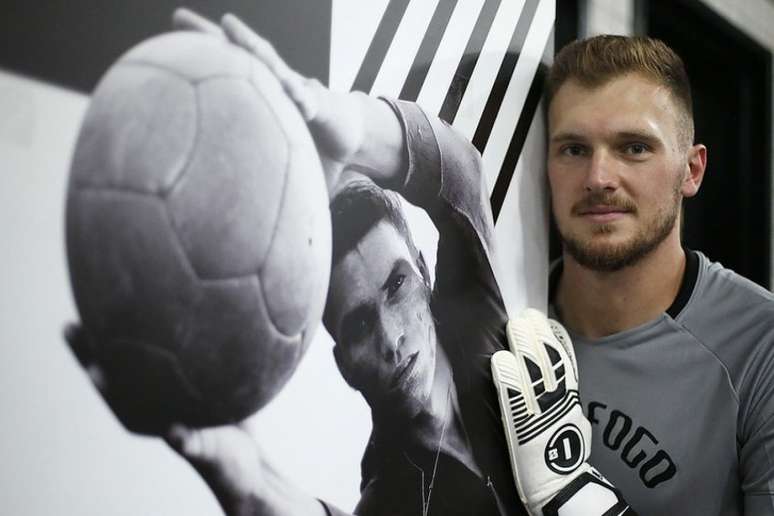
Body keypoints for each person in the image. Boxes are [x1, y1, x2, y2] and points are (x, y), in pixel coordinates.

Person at [66, 8, 524, 516]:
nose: (392, 339)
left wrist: (347, 123)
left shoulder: (486, 334)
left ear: (423, 268)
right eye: (360, 324)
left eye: (396, 285)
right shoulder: (389, 497)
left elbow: (460, 173)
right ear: (342, 363)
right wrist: (247, 482)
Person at [541, 35, 774, 515]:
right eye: (573, 149)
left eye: (634, 147)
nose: (599, 177)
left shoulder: (759, 345)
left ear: (691, 170)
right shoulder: (499, 315)